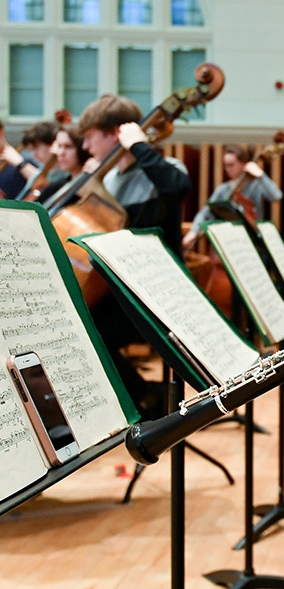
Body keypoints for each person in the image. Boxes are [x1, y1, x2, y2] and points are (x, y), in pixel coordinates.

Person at [77, 94, 191, 419]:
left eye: (90, 136)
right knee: (83, 332)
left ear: (116, 134)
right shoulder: (109, 180)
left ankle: (147, 398)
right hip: (120, 289)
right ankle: (145, 397)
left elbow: (177, 187)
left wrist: (140, 145)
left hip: (157, 291)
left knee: (94, 333)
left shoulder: (163, 170)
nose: (86, 145)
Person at [182, 144, 283, 249]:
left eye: (231, 165)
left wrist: (260, 174)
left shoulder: (256, 185)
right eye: (225, 165)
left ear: (243, 164)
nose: (227, 169)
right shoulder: (223, 189)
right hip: (228, 241)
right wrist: (193, 232)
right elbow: (206, 211)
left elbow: (276, 196)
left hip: (253, 241)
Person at [34, 127, 90, 204]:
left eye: (68, 147)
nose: (61, 153)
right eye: (59, 146)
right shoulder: (56, 186)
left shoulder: (89, 189)